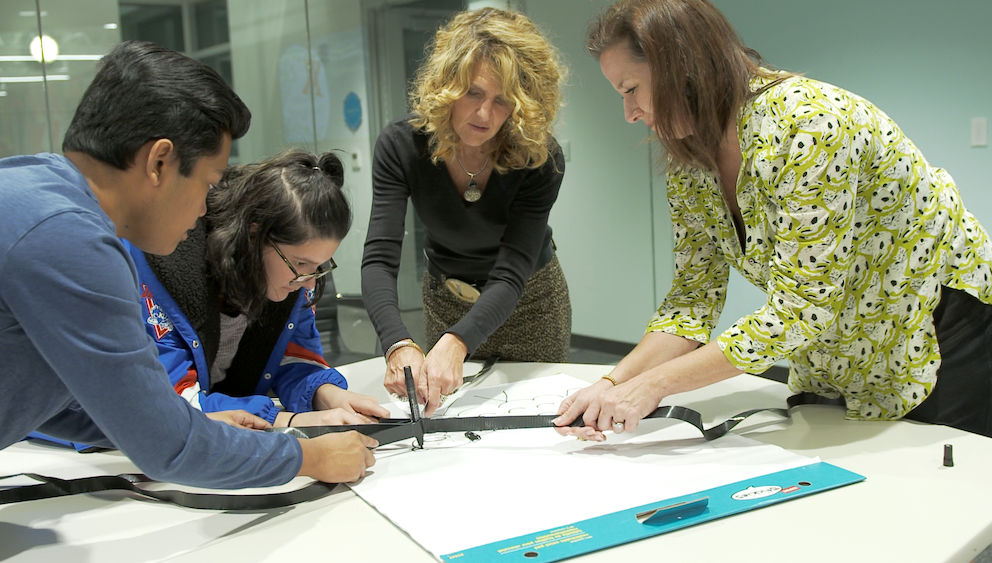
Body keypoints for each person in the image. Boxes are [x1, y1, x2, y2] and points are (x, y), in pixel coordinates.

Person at [555, 0, 992, 440]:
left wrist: (653, 385)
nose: (629, 114)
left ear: (682, 65)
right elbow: (691, 300)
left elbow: (803, 306)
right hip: (836, 339)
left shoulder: (810, 125)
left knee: (942, 488)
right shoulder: (689, 162)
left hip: (936, 323)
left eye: (630, 89)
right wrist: (613, 384)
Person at [0, 40, 376, 489]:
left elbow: (78, 404)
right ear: (159, 162)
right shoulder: (70, 240)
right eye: (208, 183)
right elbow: (168, 448)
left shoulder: (35, 191)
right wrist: (305, 454)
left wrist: (198, 428)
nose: (203, 210)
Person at [362, 7, 571, 415]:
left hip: (530, 303)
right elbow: (379, 259)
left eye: (503, 101)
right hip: (448, 298)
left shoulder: (540, 158)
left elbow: (512, 272)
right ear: (447, 85)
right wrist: (397, 342)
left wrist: (458, 342)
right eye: (473, 92)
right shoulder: (402, 146)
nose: (484, 115)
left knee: (535, 419)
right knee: (449, 420)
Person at [129, 148, 390, 428]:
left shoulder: (293, 281)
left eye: (319, 266)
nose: (310, 282)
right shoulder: (168, 266)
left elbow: (293, 357)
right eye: (301, 263)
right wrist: (289, 421)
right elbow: (171, 401)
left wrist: (328, 395)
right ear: (254, 236)